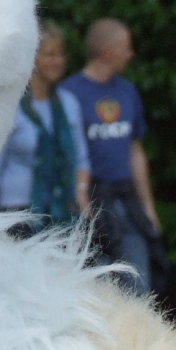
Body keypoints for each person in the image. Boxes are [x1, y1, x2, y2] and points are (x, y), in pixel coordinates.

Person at [60, 18, 162, 294]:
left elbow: (135, 150)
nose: (130, 54)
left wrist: (147, 207)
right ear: (107, 52)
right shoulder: (70, 94)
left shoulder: (127, 91)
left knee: (139, 286)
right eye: (125, 47)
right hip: (90, 201)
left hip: (124, 199)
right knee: (96, 286)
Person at [0, 21, 91, 233]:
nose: (58, 61)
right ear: (31, 58)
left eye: (61, 55)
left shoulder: (69, 104)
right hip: (18, 215)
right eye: (50, 54)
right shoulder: (11, 107)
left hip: (63, 213)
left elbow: (81, 159)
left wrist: (82, 196)